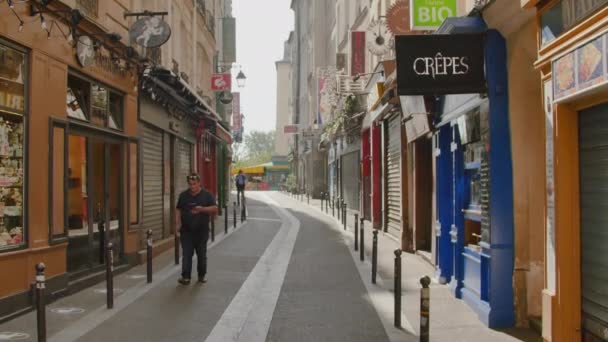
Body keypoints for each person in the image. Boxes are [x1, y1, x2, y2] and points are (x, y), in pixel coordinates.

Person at [176, 173, 217, 285]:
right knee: (187, 254)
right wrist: (178, 224)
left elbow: (214, 209)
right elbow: (178, 210)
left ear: (199, 183)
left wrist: (202, 209)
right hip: (186, 231)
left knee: (201, 255)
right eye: (190, 184)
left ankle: (201, 275)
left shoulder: (207, 195)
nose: (192, 186)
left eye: (194, 184)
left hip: (201, 232)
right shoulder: (183, 196)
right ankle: (186, 277)